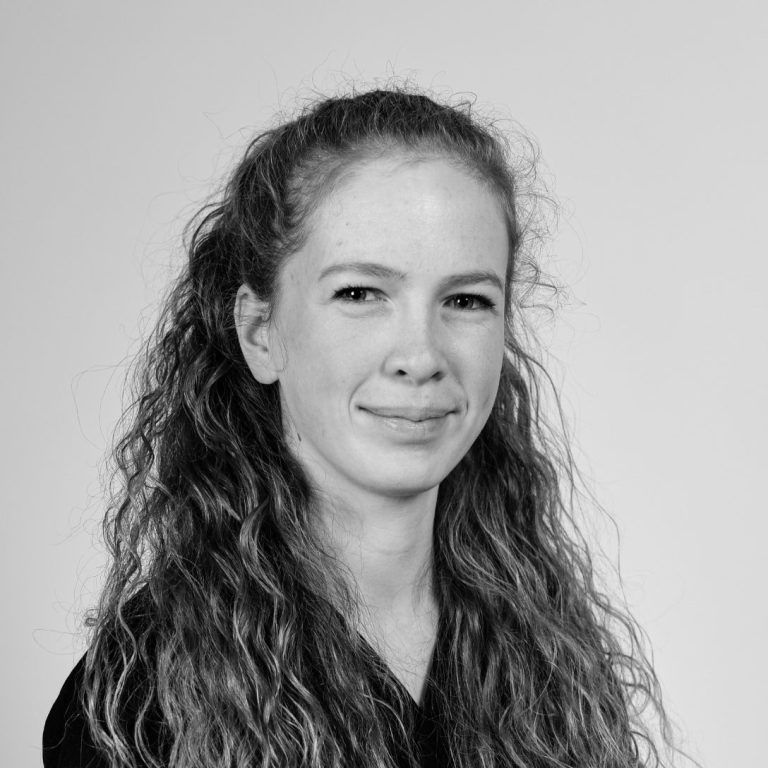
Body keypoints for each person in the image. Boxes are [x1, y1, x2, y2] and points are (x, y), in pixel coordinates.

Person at [42, 87, 675, 768]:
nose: (421, 356)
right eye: (359, 293)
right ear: (260, 333)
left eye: (466, 300)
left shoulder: (551, 658)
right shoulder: (141, 699)